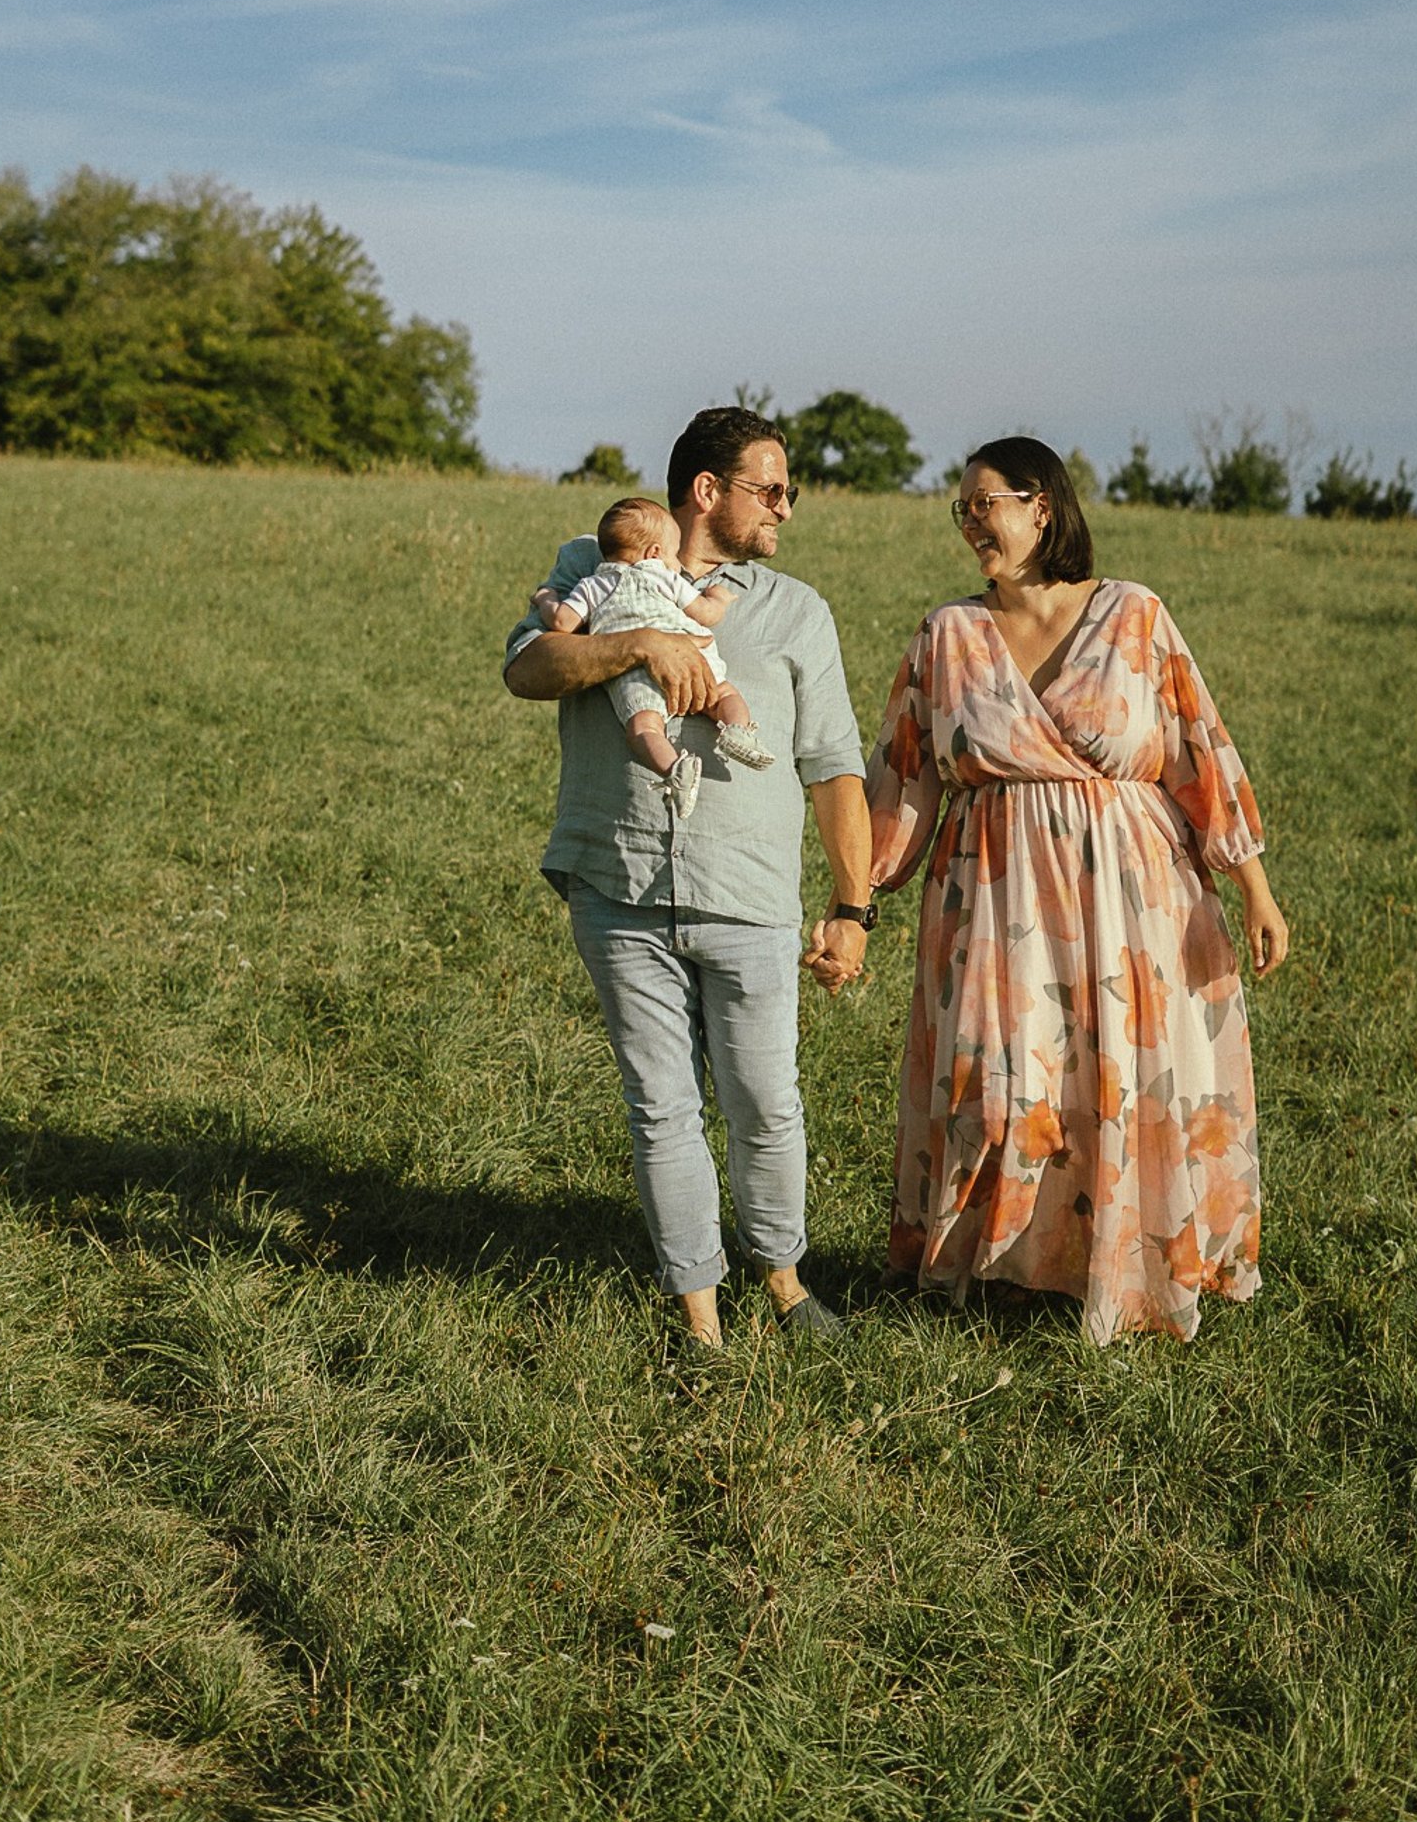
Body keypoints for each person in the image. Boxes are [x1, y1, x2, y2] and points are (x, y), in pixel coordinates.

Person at [866, 436, 1290, 1346]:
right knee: (1001, 1079)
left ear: (1041, 507)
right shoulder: (948, 634)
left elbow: (1200, 750)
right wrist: (852, 899)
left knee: (1118, 1079)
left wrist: (1253, 887)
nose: (972, 522)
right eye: (963, 510)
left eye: (987, 503)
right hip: (993, 893)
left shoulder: (1134, 614)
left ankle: (1114, 1271)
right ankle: (1003, 1264)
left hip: (1134, 896)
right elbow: (905, 780)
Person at [505, 406, 874, 1350]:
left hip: (749, 897)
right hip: (616, 884)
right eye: (772, 488)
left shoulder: (794, 609)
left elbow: (832, 765)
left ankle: (785, 1281)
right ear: (709, 491)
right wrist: (638, 647)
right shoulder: (593, 558)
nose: (786, 508)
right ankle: (699, 1320)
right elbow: (530, 665)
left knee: (765, 1103)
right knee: (661, 1108)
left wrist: (852, 906)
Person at [531, 493, 773, 821]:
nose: (676, 562)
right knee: (724, 693)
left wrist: (546, 598)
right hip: (693, 657)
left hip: (634, 676)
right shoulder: (662, 575)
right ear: (654, 553)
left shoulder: (593, 584)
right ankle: (736, 730)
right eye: (673, 554)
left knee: (644, 729)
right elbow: (705, 613)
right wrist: (719, 598)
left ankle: (676, 768)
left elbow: (562, 622)